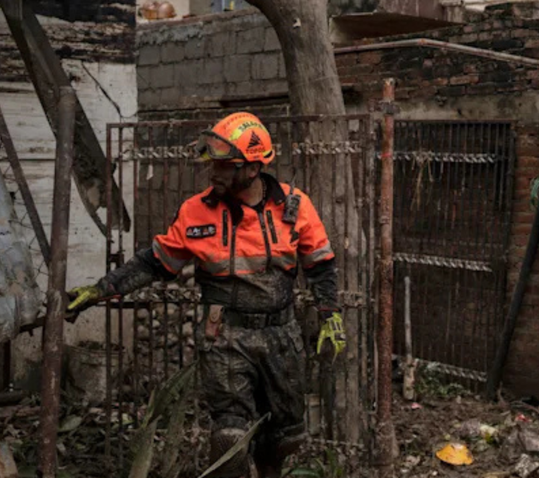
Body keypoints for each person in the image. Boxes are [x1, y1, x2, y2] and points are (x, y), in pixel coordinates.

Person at [67, 112, 346, 478]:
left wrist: (331, 315)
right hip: (225, 337)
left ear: (252, 168)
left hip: (281, 336)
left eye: (225, 166)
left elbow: (320, 265)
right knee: (229, 437)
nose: (213, 172)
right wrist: (101, 289)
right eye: (212, 164)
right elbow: (155, 263)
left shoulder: (294, 206)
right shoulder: (196, 211)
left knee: (286, 436)